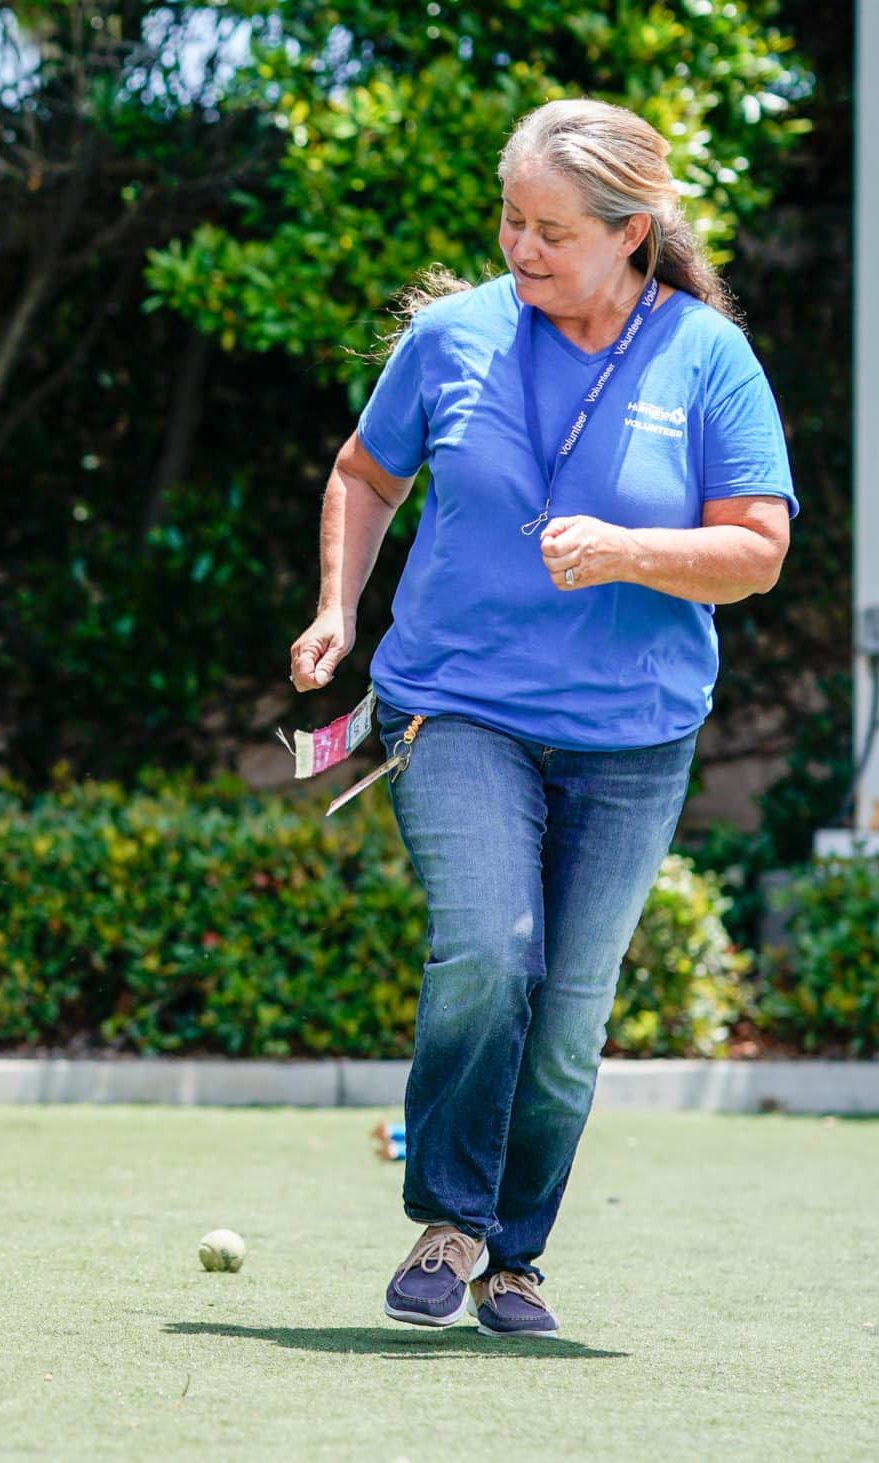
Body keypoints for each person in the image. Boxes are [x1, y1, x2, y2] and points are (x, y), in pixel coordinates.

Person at [289, 98, 796, 1339]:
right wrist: (335, 610)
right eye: (509, 220)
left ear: (630, 232)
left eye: (550, 230)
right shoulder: (454, 335)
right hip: (454, 704)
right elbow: (366, 472)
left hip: (632, 734)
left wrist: (629, 549)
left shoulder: (704, 358)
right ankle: (449, 1220)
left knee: (568, 1008)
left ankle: (514, 1255)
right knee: (488, 943)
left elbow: (757, 550)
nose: (519, 248)